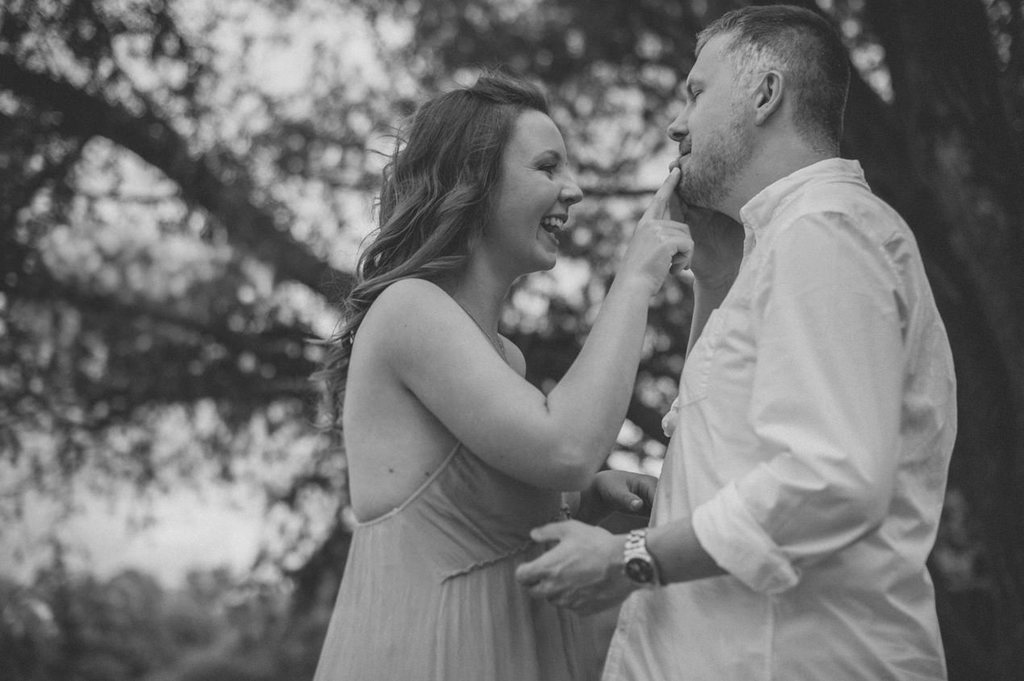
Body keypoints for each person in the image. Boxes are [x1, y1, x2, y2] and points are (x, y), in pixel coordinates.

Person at [516, 5, 958, 681]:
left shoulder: (825, 229)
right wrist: (716, 277)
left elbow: (830, 478)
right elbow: (730, 459)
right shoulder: (782, 245)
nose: (676, 124)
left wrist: (629, 557)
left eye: (696, 93)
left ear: (765, 93)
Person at [310, 71, 693, 681]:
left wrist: (584, 504)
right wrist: (635, 280)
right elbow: (565, 448)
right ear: (476, 183)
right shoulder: (410, 309)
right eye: (547, 167)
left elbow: (491, 531)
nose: (574, 190)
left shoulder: (504, 357)